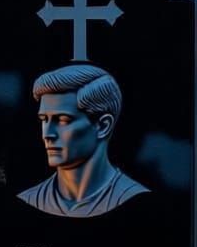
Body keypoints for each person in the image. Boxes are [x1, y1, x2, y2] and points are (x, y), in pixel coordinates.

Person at [17, 63, 148, 218]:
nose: (47, 134)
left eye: (63, 120)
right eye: (44, 119)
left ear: (102, 126)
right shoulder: (29, 199)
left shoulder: (137, 201)